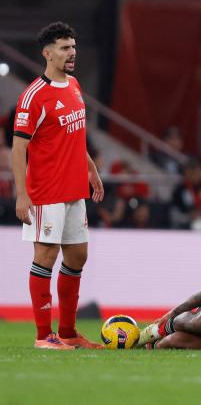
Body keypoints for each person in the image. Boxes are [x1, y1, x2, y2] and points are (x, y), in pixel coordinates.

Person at [12, 22, 104, 349]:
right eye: (65, 48)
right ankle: (42, 336)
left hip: (74, 189)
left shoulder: (75, 85)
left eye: (74, 48)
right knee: (45, 257)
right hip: (46, 191)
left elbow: (75, 138)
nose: (72, 53)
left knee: (78, 256)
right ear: (47, 53)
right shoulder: (33, 96)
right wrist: (22, 194)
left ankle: (67, 333)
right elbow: (19, 148)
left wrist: (91, 170)